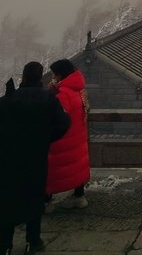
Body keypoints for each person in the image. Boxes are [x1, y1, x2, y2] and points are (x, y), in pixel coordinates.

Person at [0, 62, 70, 255]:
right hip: (35, 156)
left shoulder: (8, 100)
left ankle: (4, 245)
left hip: (9, 157)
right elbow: (64, 123)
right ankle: (33, 241)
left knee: (8, 198)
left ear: (23, 77)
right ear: (40, 76)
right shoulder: (48, 99)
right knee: (35, 197)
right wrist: (46, 138)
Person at [45, 59, 91, 212]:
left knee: (51, 170)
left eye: (54, 74)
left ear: (60, 74)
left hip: (62, 139)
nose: (53, 77)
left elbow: (55, 117)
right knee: (77, 166)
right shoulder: (80, 89)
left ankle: (46, 201)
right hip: (78, 135)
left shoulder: (62, 93)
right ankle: (79, 197)